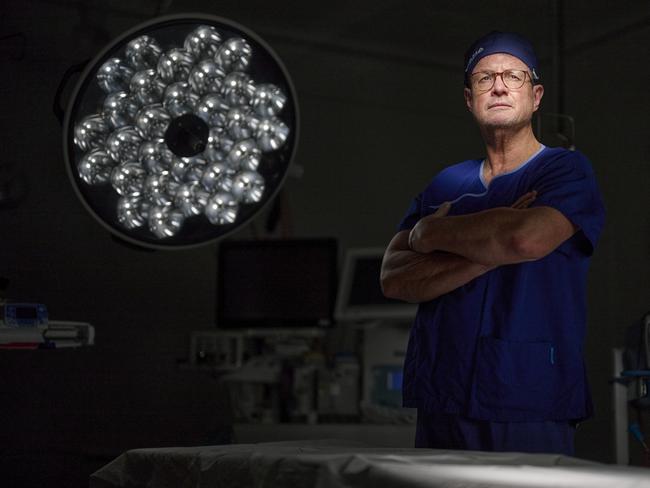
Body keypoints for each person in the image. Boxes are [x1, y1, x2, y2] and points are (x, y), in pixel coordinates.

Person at [380, 31, 605, 456]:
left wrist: (431, 234)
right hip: (442, 393)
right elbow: (394, 277)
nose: (499, 85)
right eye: (484, 79)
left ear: (536, 96)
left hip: (525, 393)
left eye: (513, 77)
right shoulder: (446, 183)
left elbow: (524, 238)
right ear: (469, 99)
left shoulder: (565, 171)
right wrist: (489, 252)